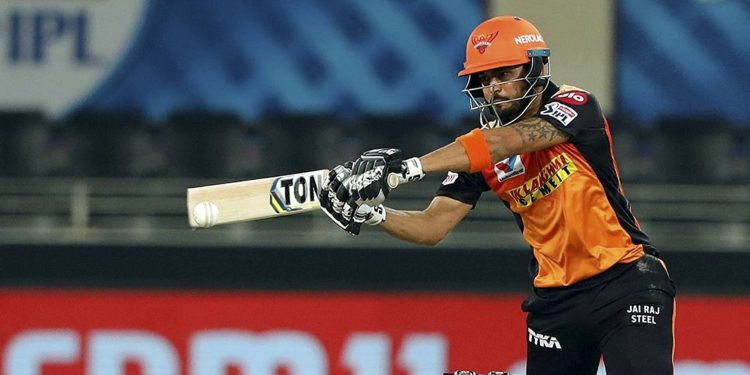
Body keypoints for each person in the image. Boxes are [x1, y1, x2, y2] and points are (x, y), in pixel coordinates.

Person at [319, 16, 676, 375]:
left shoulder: (577, 105)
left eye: (505, 74)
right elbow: (432, 226)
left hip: (625, 279)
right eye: (486, 79)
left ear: (535, 66)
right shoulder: (477, 150)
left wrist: (406, 169)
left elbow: (507, 142)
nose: (494, 88)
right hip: (554, 302)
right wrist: (373, 214)